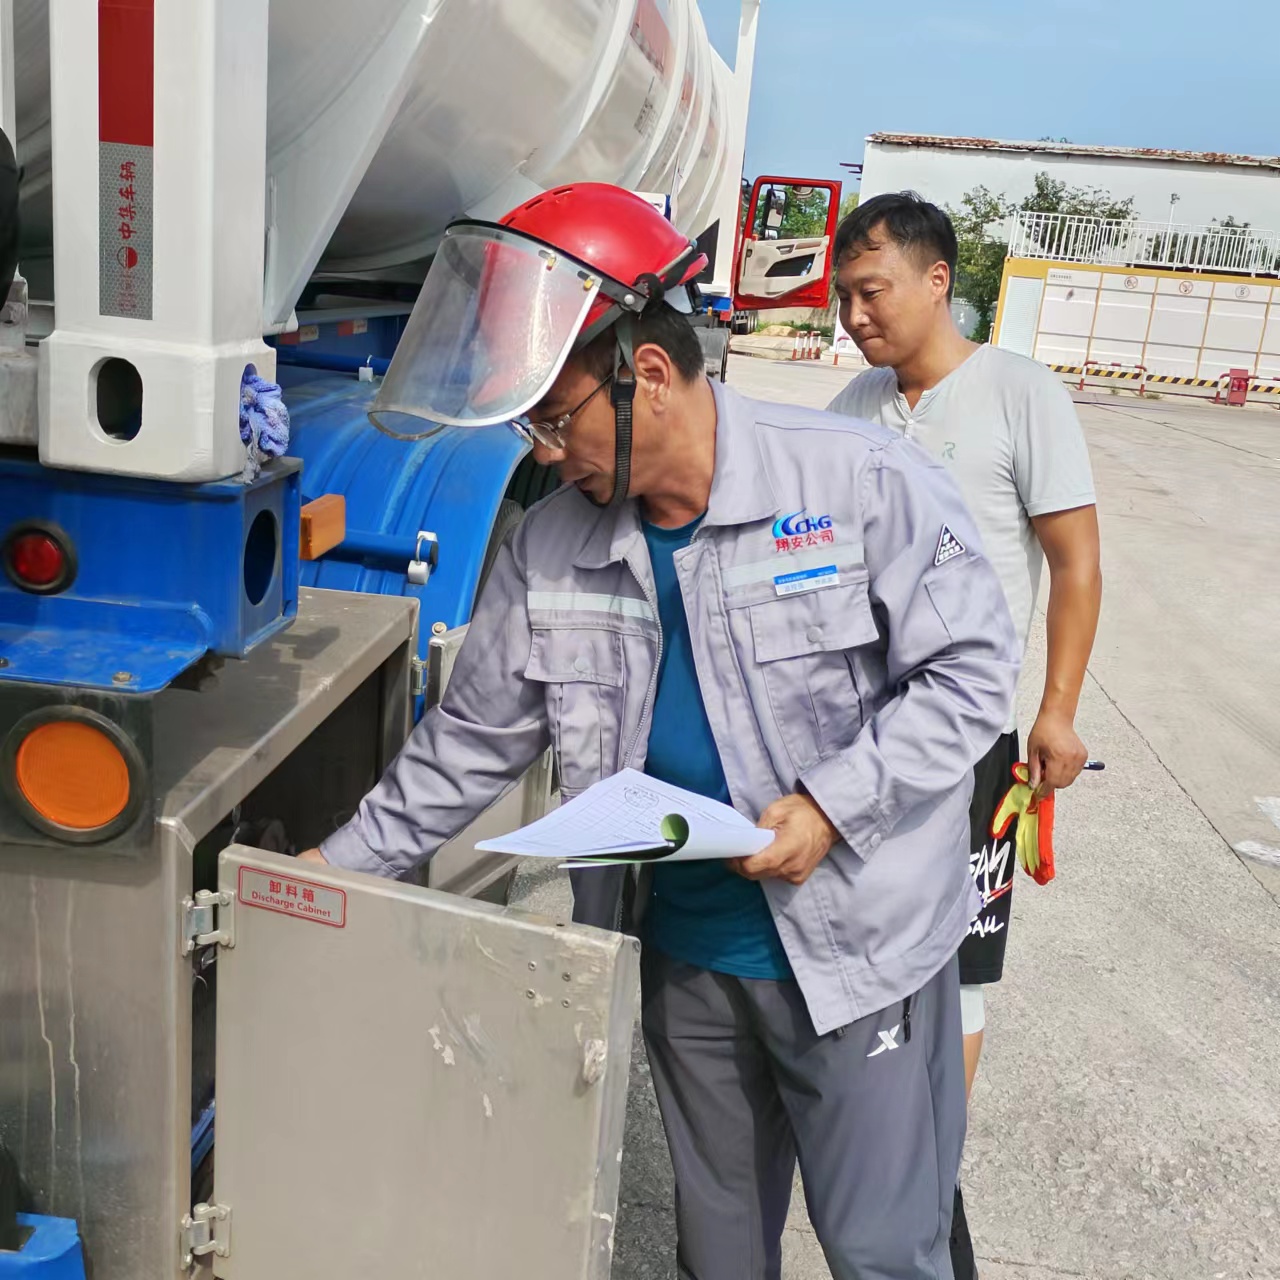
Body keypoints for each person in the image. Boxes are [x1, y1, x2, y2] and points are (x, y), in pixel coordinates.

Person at [301, 183, 1021, 1280]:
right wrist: (332, 869)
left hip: (858, 953)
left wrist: (832, 805)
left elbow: (971, 673)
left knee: (880, 1251)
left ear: (645, 372)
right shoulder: (550, 547)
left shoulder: (856, 482)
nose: (548, 454)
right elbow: (470, 742)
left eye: (556, 419)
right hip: (686, 961)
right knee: (719, 1254)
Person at [827, 191, 1103, 1277]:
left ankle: (927, 1174)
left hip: (971, 742)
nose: (854, 315)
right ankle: (867, 1133)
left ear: (937, 280)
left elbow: (1074, 563)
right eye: (843, 296)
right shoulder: (855, 405)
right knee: (859, 939)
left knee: (958, 964)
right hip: (861, 739)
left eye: (871, 291)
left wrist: (1056, 707)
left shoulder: (1018, 395)